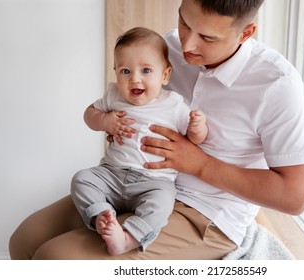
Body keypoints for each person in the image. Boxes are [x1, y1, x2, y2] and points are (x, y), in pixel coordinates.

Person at [9, 0, 304, 260]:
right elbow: (128, 102)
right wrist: (114, 123)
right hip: (131, 181)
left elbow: (294, 197)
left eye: (207, 37)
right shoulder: (167, 49)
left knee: (54, 258)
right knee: (23, 241)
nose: (188, 45)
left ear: (246, 33)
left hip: (205, 213)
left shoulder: (276, 83)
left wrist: (199, 163)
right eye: (184, 22)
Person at [71, 27, 208, 256]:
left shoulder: (173, 105)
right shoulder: (113, 96)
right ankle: (102, 217)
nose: (135, 78)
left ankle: (128, 239)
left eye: (146, 70)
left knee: (163, 203)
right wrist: (104, 121)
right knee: (82, 179)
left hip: (154, 182)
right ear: (115, 72)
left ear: (164, 75)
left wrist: (197, 127)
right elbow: (88, 115)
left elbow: (195, 139)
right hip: (112, 174)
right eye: (125, 71)